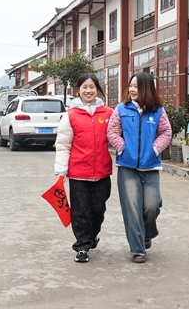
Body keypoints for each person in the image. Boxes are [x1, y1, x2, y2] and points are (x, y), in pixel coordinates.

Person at [106, 72, 172, 263]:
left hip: (150, 167)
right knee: (132, 208)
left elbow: (166, 132)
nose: (132, 89)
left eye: (137, 86)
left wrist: (154, 150)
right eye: (131, 85)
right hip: (127, 167)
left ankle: (147, 233)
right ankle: (138, 250)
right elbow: (111, 131)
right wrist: (122, 147)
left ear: (146, 89)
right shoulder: (121, 109)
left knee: (152, 206)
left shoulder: (158, 110)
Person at [54, 74, 113, 264]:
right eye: (84, 87)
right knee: (80, 212)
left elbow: (117, 138)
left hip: (102, 173)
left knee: (98, 210)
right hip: (78, 173)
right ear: (78, 90)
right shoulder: (70, 115)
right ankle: (82, 246)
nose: (88, 90)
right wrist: (61, 171)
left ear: (98, 90)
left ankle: (92, 236)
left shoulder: (108, 113)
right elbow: (63, 145)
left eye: (92, 87)